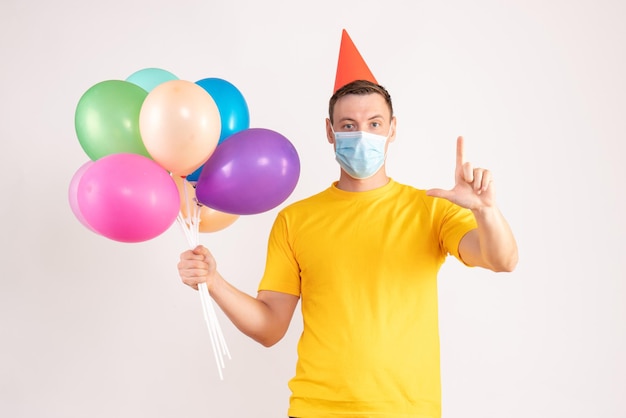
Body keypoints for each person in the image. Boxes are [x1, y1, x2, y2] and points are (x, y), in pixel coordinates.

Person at [178, 78, 518, 418]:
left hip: (407, 410)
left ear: (392, 128)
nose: (362, 135)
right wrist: (214, 282)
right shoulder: (295, 220)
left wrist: (486, 210)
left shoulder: (431, 209)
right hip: (316, 409)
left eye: (374, 124)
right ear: (330, 131)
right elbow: (269, 328)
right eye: (348, 126)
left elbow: (502, 260)